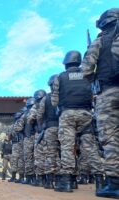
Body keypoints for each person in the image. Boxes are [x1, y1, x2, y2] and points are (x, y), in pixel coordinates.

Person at [51, 50, 104, 193]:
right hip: (86, 114)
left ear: (65, 63)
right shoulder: (88, 75)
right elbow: (95, 93)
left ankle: (67, 183)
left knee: (67, 147)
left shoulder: (60, 77)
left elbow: (54, 101)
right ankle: (100, 181)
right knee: (90, 147)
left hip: (67, 115)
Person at [82, 8, 119, 198]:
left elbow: (86, 70)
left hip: (109, 92)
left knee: (111, 138)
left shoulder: (100, 40)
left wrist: (94, 80)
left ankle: (114, 184)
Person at [37, 74, 60, 189]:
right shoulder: (66, 94)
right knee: (65, 153)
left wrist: (42, 127)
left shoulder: (46, 99)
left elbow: (39, 115)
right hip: (65, 127)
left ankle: (50, 181)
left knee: (50, 154)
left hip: (50, 128)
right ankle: (68, 181)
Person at [14, 98, 36, 185]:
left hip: (28, 137)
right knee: (40, 157)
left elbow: (18, 128)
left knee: (28, 158)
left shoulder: (26, 114)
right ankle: (42, 179)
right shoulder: (41, 110)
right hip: (40, 136)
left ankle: (30, 178)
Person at [9, 109, 25, 183]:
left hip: (18, 143)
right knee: (17, 160)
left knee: (18, 160)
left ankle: (18, 177)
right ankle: (16, 177)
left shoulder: (17, 124)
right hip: (17, 143)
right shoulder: (16, 124)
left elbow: (9, 136)